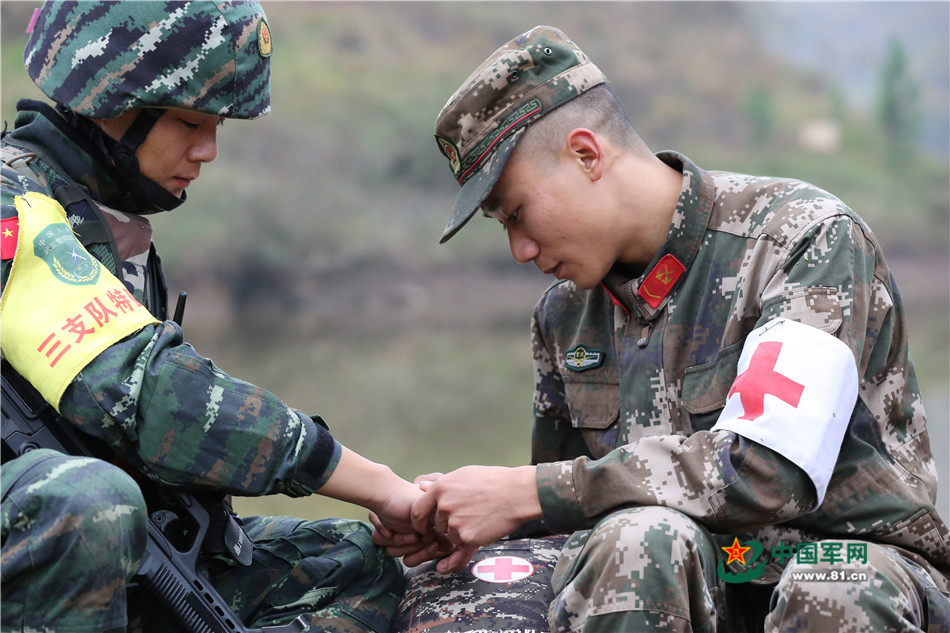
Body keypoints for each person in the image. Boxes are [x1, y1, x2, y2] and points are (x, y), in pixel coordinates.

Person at [373, 25, 950, 633]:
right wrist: (456, 513)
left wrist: (530, 492)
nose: (520, 249)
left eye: (517, 213)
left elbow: (768, 469)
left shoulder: (800, 239)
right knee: (636, 540)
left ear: (587, 155)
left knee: (833, 585)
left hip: (849, 565)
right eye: (504, 227)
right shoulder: (564, 316)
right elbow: (572, 509)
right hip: (682, 578)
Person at [0, 3, 425, 632]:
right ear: (111, 101)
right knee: (88, 502)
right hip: (66, 521)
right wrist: (380, 485)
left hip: (106, 542)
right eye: (190, 122)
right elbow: (150, 396)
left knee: (351, 562)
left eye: (217, 125)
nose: (208, 150)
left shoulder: (97, 219)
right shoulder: (13, 207)